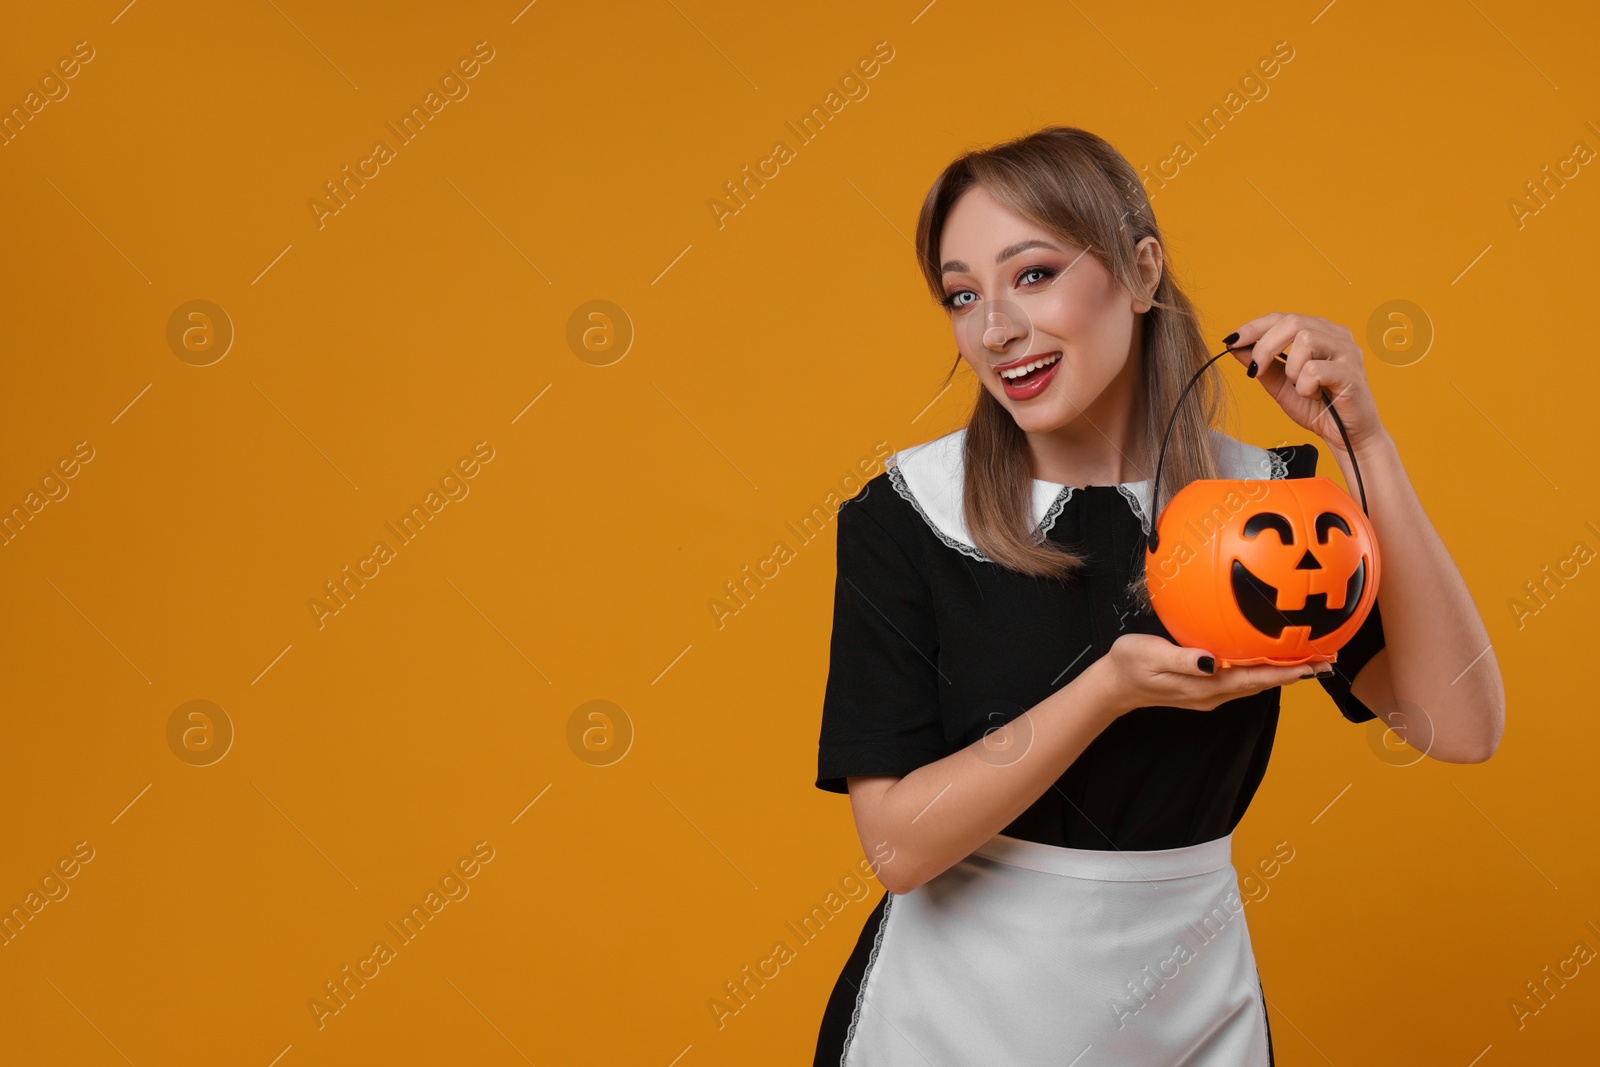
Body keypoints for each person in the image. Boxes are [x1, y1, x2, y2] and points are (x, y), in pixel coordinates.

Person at [811, 126, 1504, 1066]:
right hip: (955, 1017)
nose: (996, 328)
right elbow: (897, 846)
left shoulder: (1273, 510)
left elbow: (1460, 724)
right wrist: (1109, 690)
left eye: (1034, 274)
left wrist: (1362, 446)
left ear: (1143, 273)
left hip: (1192, 1002)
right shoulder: (909, 515)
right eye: (962, 294)